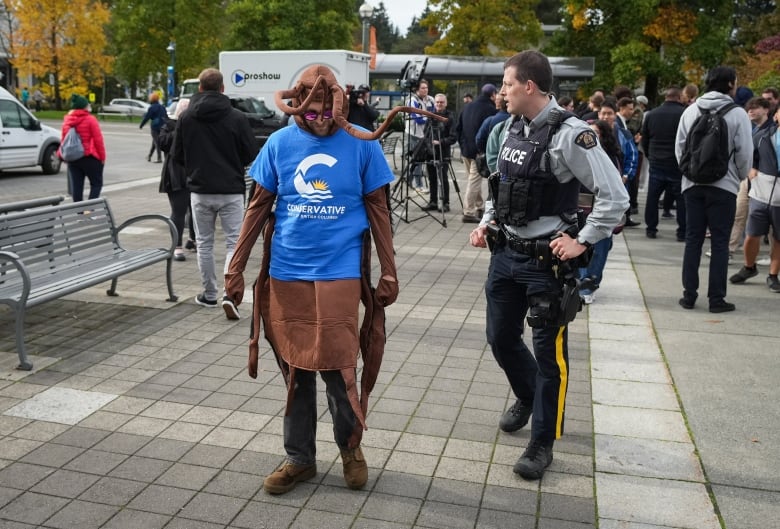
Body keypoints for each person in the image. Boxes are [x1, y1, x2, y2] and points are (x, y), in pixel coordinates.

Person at [224, 64, 399, 495]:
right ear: (297, 108)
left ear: (338, 105)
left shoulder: (361, 146)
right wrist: (235, 267)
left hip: (339, 274)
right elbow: (257, 207)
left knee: (339, 368)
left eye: (325, 111)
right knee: (295, 371)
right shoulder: (280, 143)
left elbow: (379, 212)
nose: (319, 119)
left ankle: (350, 449)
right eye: (310, 112)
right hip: (286, 275)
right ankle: (299, 458)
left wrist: (390, 270)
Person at [468, 51, 628, 480]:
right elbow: (499, 186)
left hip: (546, 265)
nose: (501, 91)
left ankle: (543, 441)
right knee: (499, 337)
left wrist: (581, 240)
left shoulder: (572, 136)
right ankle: (527, 394)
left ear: (530, 87)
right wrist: (486, 223)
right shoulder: (509, 128)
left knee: (548, 356)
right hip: (505, 256)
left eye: (507, 83)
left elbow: (615, 196)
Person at [171, 68, 258, 318]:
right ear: (222, 88)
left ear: (200, 88)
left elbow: (177, 155)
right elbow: (251, 153)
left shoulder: (187, 118)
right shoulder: (237, 117)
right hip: (231, 189)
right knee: (234, 242)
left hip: (200, 190)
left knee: (204, 243)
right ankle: (230, 293)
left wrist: (195, 167)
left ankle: (209, 293)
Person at [675, 66, 752, 313]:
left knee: (693, 240)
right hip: (724, 186)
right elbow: (744, 153)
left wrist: (689, 173)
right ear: (730, 84)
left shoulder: (691, 110)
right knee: (720, 243)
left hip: (693, 184)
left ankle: (689, 295)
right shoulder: (738, 114)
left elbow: (681, 148)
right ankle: (716, 299)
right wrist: (738, 177)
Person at [729, 105, 780, 292]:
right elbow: (747, 155)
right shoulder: (763, 136)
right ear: (776, 115)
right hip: (760, 192)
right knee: (752, 234)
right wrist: (750, 168)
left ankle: (773, 275)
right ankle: (749, 267)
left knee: (778, 238)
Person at [578, 119, 624, 304]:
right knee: (582, 246)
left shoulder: (609, 157)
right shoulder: (578, 155)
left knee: (601, 249)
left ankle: (589, 285)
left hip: (602, 209)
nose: (590, 137)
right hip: (581, 209)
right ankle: (582, 283)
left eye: (595, 133)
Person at [642, 87, 686, 241]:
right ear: (679, 97)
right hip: (677, 163)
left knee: (652, 198)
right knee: (681, 200)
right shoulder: (684, 114)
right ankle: (682, 232)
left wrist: (650, 155)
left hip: (656, 160)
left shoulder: (652, 114)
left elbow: (645, 138)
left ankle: (651, 228)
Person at [456, 83, 498, 223]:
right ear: (492, 95)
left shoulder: (467, 107)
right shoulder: (491, 110)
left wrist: (462, 146)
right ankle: (468, 212)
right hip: (478, 153)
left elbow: (459, 129)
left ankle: (479, 207)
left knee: (473, 180)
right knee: (474, 182)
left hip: (466, 151)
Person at [158, 97, 193, 262]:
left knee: (195, 211)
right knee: (178, 211)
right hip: (176, 174)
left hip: (194, 173)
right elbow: (163, 143)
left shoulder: (196, 128)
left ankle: (193, 240)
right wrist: (179, 128)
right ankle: (177, 246)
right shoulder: (170, 126)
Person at [59, 94, 106, 203]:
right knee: (96, 184)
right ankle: (89, 211)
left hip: (73, 158)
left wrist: (62, 155)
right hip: (89, 156)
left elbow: (63, 140)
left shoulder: (67, 120)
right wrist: (102, 157)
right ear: (84, 107)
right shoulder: (90, 120)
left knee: (77, 186)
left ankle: (79, 213)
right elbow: (98, 140)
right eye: (87, 104)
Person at [420, 93, 457, 212]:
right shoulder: (431, 116)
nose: (439, 104)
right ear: (434, 103)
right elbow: (425, 132)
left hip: (443, 152)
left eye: (441, 102)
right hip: (430, 152)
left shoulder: (450, 117)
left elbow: (453, 137)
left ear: (445, 103)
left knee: (443, 178)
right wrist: (428, 142)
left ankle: (445, 203)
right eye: (437, 102)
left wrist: (440, 142)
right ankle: (433, 201)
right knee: (432, 178)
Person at [406, 79, 435, 191]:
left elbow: (433, 114)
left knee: (419, 160)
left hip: (424, 134)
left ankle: (409, 179)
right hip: (413, 134)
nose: (425, 90)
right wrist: (429, 117)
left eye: (426, 87)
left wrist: (428, 117)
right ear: (417, 89)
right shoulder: (412, 101)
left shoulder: (431, 100)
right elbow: (418, 119)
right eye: (422, 88)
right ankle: (418, 185)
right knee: (417, 159)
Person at [140, 92, 167, 163]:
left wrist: (141, 125)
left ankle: (159, 158)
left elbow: (147, 117)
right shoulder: (162, 107)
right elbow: (166, 116)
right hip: (163, 126)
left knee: (156, 142)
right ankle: (149, 156)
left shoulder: (151, 108)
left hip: (155, 126)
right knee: (154, 142)